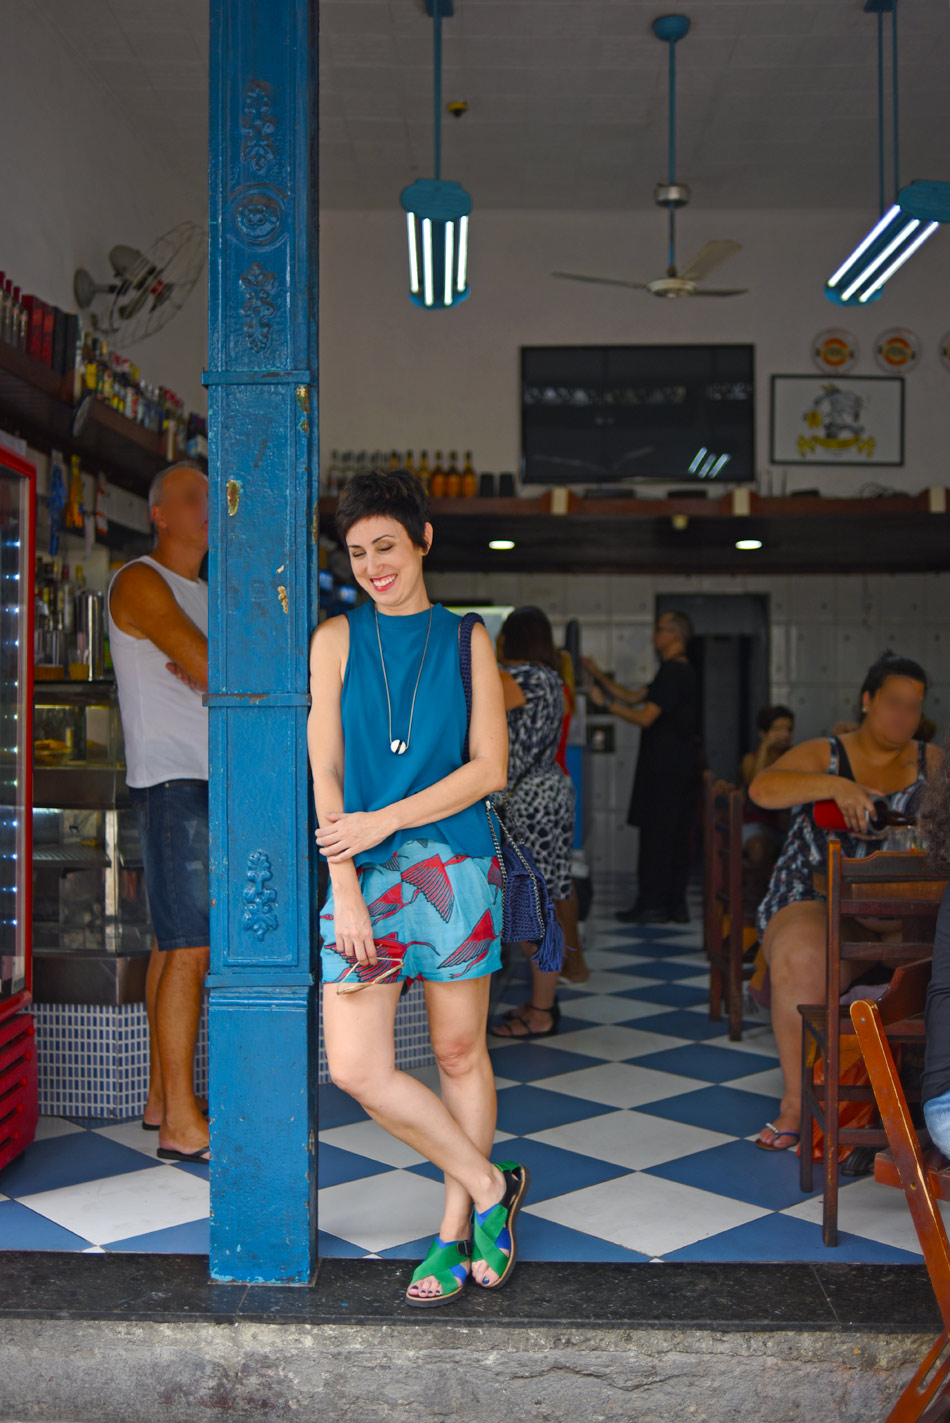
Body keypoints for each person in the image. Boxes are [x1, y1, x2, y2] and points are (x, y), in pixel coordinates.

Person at [309, 469, 530, 1308]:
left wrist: (385, 820)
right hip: (362, 876)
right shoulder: (334, 639)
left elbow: (489, 768)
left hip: (457, 866)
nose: (374, 566)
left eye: (387, 546)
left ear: (424, 541)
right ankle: (490, 1184)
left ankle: (451, 1232)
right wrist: (345, 878)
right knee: (356, 1066)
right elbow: (325, 769)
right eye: (358, 552)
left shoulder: (468, 639)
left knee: (457, 1052)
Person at [749, 653, 938, 1152]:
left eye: (914, 706)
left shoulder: (932, 762)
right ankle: (795, 1102)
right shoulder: (826, 753)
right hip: (819, 898)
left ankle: (927, 1100)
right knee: (799, 957)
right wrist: (838, 786)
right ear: (867, 701)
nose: (903, 715)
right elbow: (762, 788)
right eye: (893, 703)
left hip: (906, 911)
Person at [106, 461, 211, 1164]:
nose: (207, 506)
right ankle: (181, 1122)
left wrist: (212, 669)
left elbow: (219, 666)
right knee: (190, 946)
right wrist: (211, 671)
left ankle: (160, 1099)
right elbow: (213, 667)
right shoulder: (140, 580)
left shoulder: (204, 591)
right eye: (192, 496)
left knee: (173, 943)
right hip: (173, 782)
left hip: (200, 780)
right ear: (159, 514)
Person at [489, 607, 583, 1039]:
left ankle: (542, 1010)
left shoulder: (524, 677)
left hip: (530, 801)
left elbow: (464, 703)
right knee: (538, 900)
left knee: (528, 905)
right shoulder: (550, 679)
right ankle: (541, 1001)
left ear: (509, 639)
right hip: (546, 793)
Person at [583, 610, 702, 924]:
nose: (654, 635)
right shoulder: (674, 671)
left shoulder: (675, 672)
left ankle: (653, 904)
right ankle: (673, 904)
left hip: (667, 771)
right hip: (674, 768)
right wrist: (598, 676)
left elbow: (645, 716)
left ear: (675, 635)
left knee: (658, 837)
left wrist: (605, 704)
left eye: (659, 629)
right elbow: (635, 696)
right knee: (672, 836)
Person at [740, 705, 795, 872]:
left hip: (788, 827)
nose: (785, 734)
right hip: (756, 823)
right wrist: (765, 746)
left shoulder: (795, 757)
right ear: (763, 733)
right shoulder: (750, 759)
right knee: (759, 848)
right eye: (778, 729)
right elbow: (755, 786)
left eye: (789, 729)